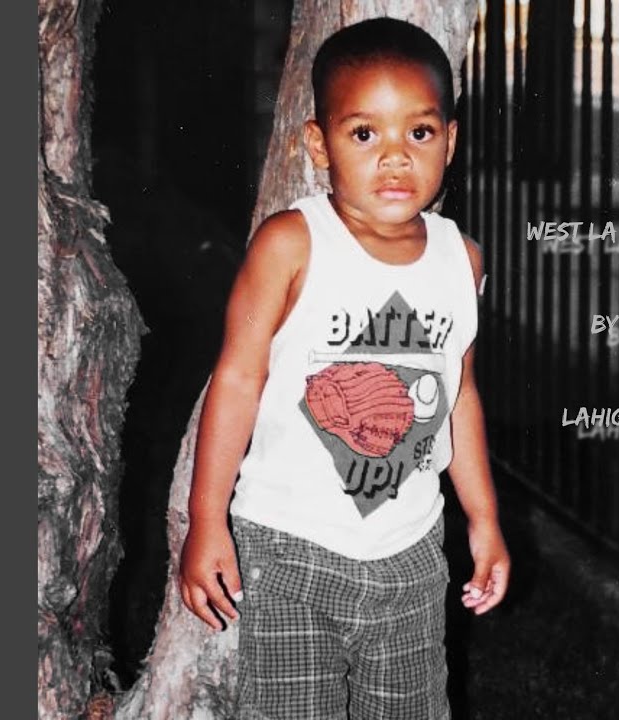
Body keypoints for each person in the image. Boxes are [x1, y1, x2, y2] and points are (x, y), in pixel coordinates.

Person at [178, 17, 509, 720]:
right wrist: (205, 519)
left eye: (418, 132)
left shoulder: (461, 259)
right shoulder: (292, 244)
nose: (395, 158)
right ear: (318, 144)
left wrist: (483, 518)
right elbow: (237, 380)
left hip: (411, 554)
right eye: (364, 134)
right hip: (289, 548)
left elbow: (460, 396)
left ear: (450, 141)